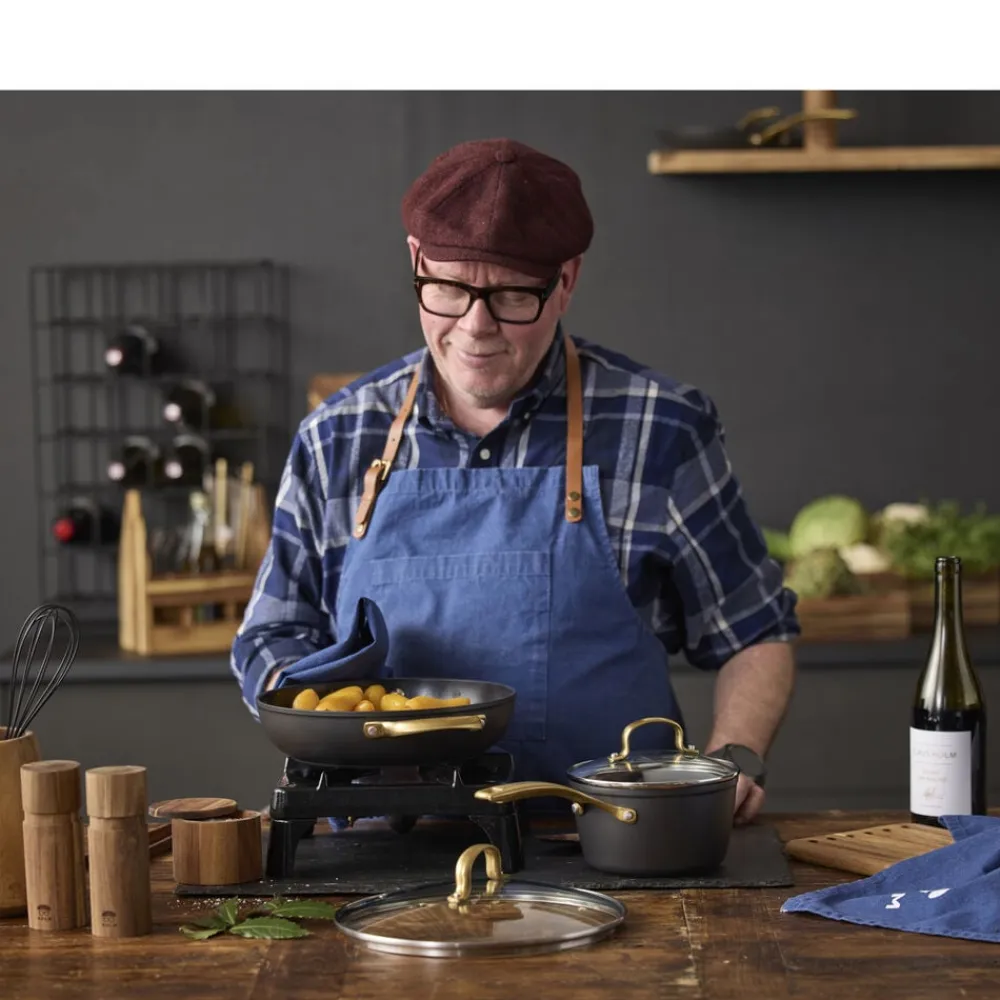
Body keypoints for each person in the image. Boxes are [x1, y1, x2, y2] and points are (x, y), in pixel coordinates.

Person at [231, 137, 800, 825]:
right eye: (448, 289)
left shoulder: (662, 430)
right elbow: (271, 634)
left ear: (566, 280)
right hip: (382, 853)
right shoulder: (338, 438)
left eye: (510, 296)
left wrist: (733, 757)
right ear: (416, 261)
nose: (476, 327)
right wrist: (331, 722)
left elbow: (754, 631)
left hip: (610, 844)